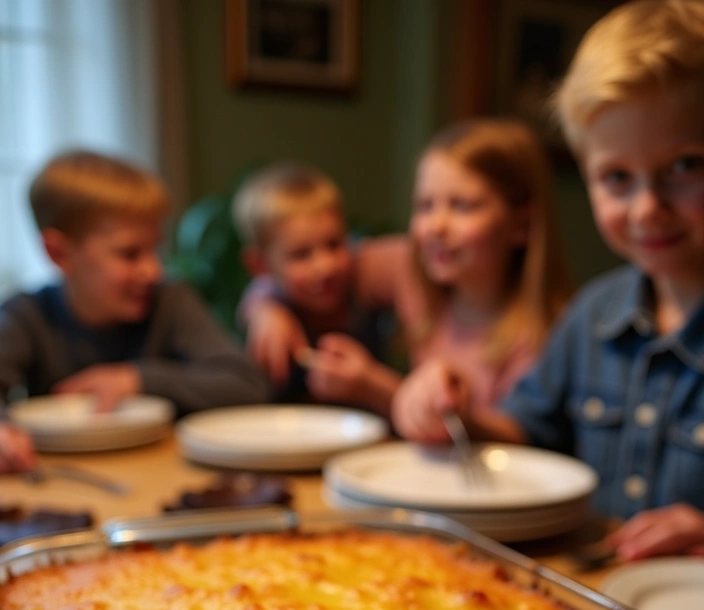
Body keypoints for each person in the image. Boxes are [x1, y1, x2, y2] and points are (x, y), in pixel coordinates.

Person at [392, 0, 704, 562]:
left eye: (684, 167)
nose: (647, 208)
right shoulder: (592, 317)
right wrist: (455, 414)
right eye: (616, 178)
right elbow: (527, 434)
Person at [239, 122, 571, 418]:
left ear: (522, 225)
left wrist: (375, 387)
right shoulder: (411, 267)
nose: (435, 227)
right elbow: (306, 272)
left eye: (462, 206)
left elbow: (496, 440)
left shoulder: (545, 338)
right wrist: (265, 308)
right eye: (425, 205)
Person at [0, 149, 270, 473]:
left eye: (154, 249)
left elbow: (247, 384)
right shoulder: (26, 316)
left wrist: (137, 378)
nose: (152, 270)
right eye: (130, 254)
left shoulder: (170, 302)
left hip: (161, 477)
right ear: (59, 252)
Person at [233, 162, 402, 414]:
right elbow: (255, 297)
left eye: (334, 244)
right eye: (301, 255)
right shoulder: (271, 301)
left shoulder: (362, 283)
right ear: (260, 264)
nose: (325, 266)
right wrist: (264, 312)